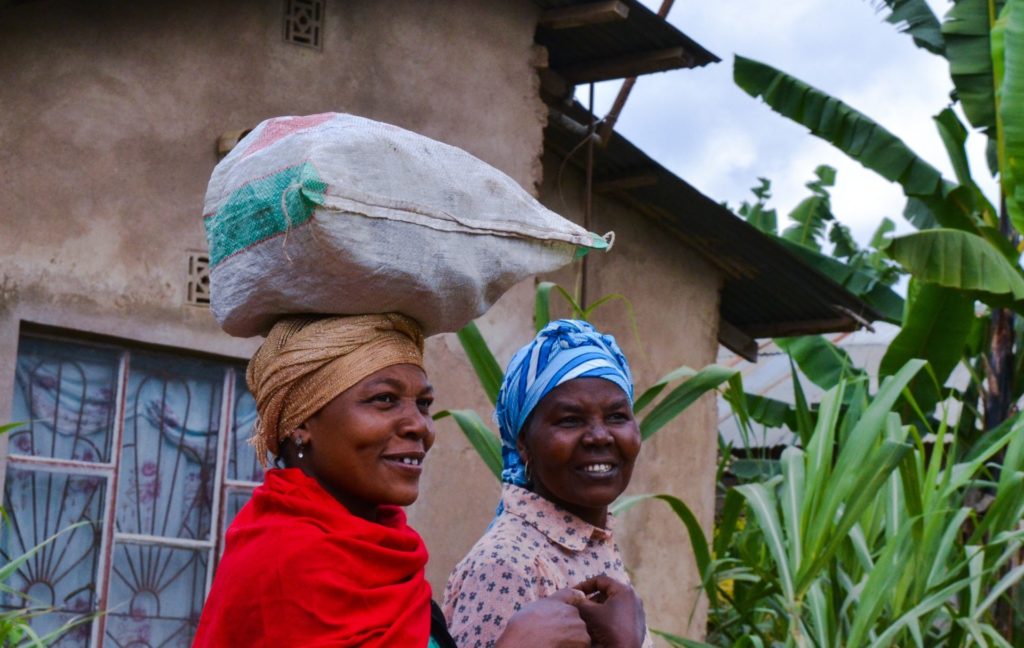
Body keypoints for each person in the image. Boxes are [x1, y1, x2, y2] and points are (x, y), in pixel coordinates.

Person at [192, 313, 635, 647]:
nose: (420, 426)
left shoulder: (383, 557)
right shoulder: (285, 562)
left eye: (422, 404)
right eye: (384, 400)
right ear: (302, 423)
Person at [444, 319, 654, 648]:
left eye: (616, 416)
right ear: (524, 443)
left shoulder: (590, 543)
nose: (600, 436)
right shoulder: (507, 566)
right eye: (570, 419)